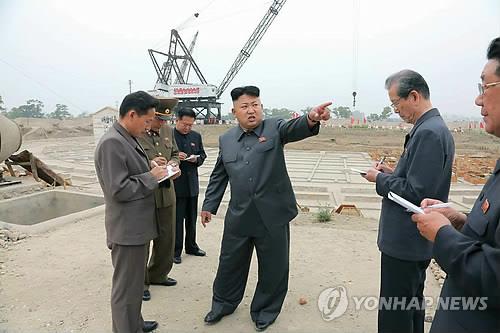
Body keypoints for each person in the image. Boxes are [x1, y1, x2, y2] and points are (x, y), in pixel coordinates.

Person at [200, 85, 331, 331]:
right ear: (234, 111)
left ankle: (265, 309)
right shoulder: (226, 139)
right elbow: (219, 175)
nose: (251, 111)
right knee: (229, 263)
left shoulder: (275, 128)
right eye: (245, 106)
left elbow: (294, 127)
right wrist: (209, 205)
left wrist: (311, 118)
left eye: (255, 105)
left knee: (274, 266)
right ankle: (223, 304)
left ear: (261, 106)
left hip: (273, 214)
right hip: (239, 215)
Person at [412, 37, 500, 333]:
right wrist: (462, 222)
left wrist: (443, 235)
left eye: (485, 87)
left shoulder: (432, 132)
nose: (478, 99)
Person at [362, 70, 455, 333]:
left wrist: (378, 179)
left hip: (405, 240)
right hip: (414, 240)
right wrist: (393, 172)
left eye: (395, 103)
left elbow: (415, 192)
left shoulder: (428, 132)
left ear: (413, 96)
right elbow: (419, 180)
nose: (395, 110)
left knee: (395, 311)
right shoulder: (430, 128)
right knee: (410, 304)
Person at [94, 91, 167, 333]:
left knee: (135, 285)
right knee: (126, 289)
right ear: (132, 114)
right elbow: (118, 189)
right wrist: (151, 177)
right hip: (127, 231)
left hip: (137, 228)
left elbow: (129, 169)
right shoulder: (112, 142)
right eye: (147, 121)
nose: (148, 127)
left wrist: (151, 166)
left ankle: (134, 323)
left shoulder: (126, 136)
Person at [137, 97, 181, 302]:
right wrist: (151, 163)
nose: (162, 124)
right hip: (146, 195)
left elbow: (174, 153)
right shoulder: (136, 132)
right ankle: (141, 283)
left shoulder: (167, 131)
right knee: (143, 241)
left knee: (166, 238)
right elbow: (132, 160)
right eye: (158, 119)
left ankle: (158, 274)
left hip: (166, 192)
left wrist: (173, 164)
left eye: (165, 120)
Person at [173, 107, 207, 264]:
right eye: (184, 124)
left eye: (190, 125)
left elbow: (202, 154)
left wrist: (196, 159)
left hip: (192, 184)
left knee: (192, 219)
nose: (187, 127)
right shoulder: (170, 136)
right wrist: (175, 157)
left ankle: (191, 246)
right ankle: (176, 251)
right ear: (177, 120)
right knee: (177, 220)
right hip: (176, 186)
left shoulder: (196, 136)